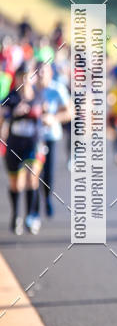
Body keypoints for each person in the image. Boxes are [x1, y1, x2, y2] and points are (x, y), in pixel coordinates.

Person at [1, 62, 46, 235]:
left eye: (28, 76)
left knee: (32, 178)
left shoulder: (39, 96)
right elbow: (1, 115)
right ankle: (16, 215)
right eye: (22, 76)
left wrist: (47, 116)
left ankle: (31, 215)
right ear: (17, 78)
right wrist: (13, 113)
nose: (25, 79)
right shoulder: (11, 97)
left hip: (34, 143)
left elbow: (49, 113)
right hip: (14, 144)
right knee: (16, 184)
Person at [38, 61, 71, 217]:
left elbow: (70, 112)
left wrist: (54, 118)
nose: (40, 75)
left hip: (50, 136)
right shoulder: (29, 89)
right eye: (37, 72)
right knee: (32, 174)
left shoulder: (57, 89)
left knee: (48, 173)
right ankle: (34, 209)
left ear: (50, 74)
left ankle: (47, 198)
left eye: (43, 72)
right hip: (33, 138)